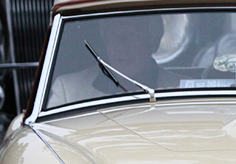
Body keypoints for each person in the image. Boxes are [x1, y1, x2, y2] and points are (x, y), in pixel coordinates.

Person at [48, 15, 177, 106]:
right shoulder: (68, 90)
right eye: (114, 36)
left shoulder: (178, 88)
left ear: (153, 42)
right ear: (105, 42)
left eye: (132, 35)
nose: (122, 46)